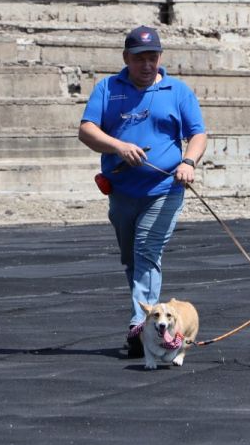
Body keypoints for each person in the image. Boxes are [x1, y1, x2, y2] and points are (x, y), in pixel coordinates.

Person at [78, 25, 207, 358]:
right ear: (126, 58)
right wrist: (118, 146)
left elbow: (198, 134)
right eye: (139, 59)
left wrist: (188, 162)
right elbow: (87, 130)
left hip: (164, 189)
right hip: (121, 191)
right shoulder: (108, 88)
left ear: (160, 57)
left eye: (152, 57)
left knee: (147, 250)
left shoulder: (177, 91)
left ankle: (140, 325)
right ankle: (151, 317)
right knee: (131, 258)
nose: (147, 65)